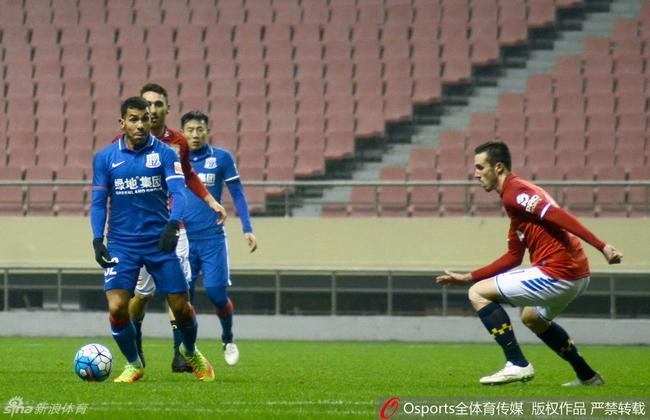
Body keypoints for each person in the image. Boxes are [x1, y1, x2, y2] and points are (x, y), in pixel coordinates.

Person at [436, 141, 623, 386]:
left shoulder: (515, 192)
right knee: (532, 317)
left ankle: (517, 363)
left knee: (478, 294)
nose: (476, 174)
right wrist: (468, 276)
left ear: (498, 167)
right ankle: (588, 376)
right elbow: (513, 257)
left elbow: (556, 214)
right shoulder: (516, 204)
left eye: (480, 167)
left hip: (559, 272)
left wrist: (602, 246)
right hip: (577, 274)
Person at [90, 96, 215, 382]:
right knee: (117, 307)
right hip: (122, 244)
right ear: (122, 123)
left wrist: (173, 225)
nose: (140, 125)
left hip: (159, 242)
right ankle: (134, 364)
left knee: (181, 308)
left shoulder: (166, 154)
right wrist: (97, 239)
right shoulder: (105, 158)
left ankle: (189, 350)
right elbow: (98, 203)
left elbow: (179, 192)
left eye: (144, 119)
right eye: (133, 119)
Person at [124, 83, 227, 372]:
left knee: (177, 292)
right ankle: (136, 338)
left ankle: (180, 354)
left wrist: (211, 201)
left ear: (167, 108)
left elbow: (189, 175)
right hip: (141, 230)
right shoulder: (125, 143)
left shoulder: (177, 142)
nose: (152, 109)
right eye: (147, 104)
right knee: (142, 295)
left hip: (174, 226)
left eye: (158, 104)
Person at [181, 110, 258, 367]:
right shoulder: (174, 160)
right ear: (182, 133)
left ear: (207, 131)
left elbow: (238, 193)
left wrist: (247, 228)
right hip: (183, 240)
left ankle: (227, 338)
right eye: (190, 130)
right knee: (184, 300)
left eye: (199, 129)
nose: (195, 134)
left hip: (212, 238)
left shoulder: (221, 158)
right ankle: (188, 349)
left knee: (216, 294)